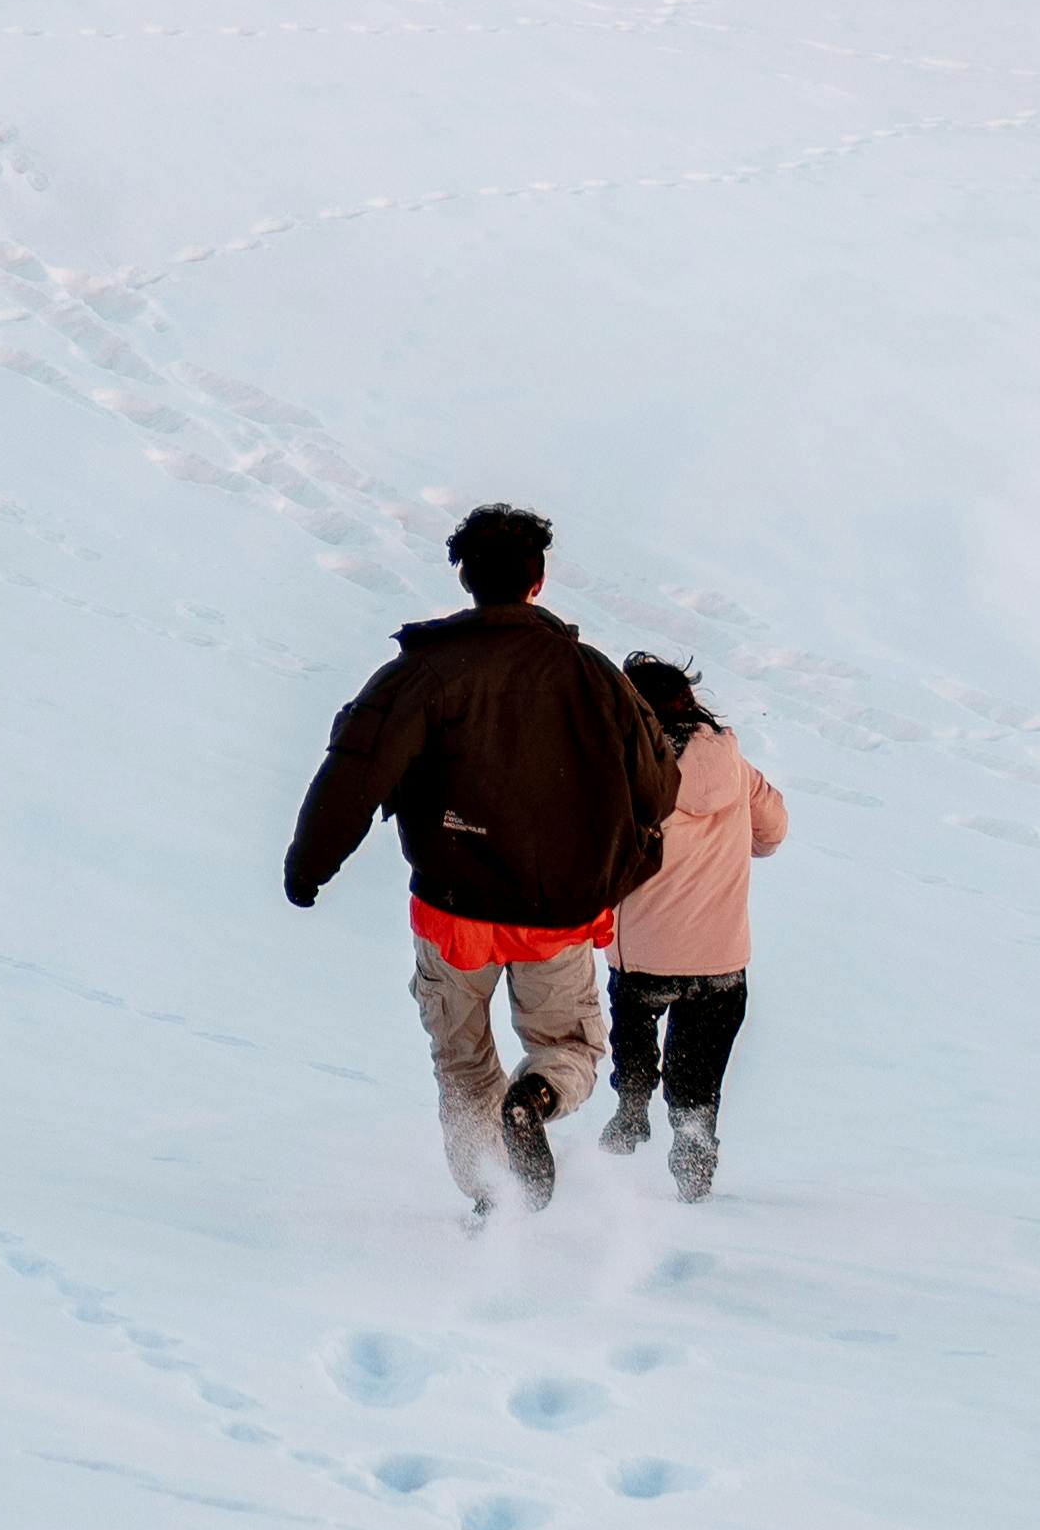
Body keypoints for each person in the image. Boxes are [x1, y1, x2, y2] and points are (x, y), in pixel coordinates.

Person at [286, 505, 680, 1215]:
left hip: (453, 910)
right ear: (537, 581)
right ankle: (539, 1093)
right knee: (569, 1045)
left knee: (462, 1060)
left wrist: (309, 864)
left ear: (465, 579)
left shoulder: (422, 672)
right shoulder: (593, 675)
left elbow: (356, 770)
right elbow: (658, 782)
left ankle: (492, 1199)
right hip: (555, 911)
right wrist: (626, 857)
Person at [603, 656, 787, 1203]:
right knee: (697, 1080)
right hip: (721, 961)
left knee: (634, 1035)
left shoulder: (624, 772)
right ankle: (693, 1166)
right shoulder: (735, 765)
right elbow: (772, 832)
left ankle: (632, 1106)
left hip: (643, 956)